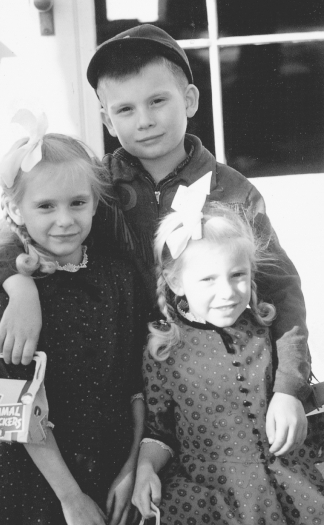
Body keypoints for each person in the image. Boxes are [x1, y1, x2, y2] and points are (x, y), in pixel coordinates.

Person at [0, 25, 312, 454]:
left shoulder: (230, 190)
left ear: (188, 99)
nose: (144, 120)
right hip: (124, 375)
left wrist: (288, 388)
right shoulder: (98, 183)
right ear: (108, 121)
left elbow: (281, 287)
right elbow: (9, 230)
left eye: (157, 101)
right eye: (125, 109)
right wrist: (18, 289)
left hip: (220, 374)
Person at [0, 111, 148, 525]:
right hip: (43, 477)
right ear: (14, 210)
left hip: (115, 462)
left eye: (77, 203)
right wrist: (70, 498)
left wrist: (133, 465)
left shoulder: (118, 276)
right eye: (45, 206)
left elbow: (136, 381)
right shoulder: (15, 293)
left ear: (95, 203)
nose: (65, 220)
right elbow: (14, 402)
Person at [131, 196, 324, 524]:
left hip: (286, 484)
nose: (228, 292)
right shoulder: (164, 350)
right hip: (210, 496)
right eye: (208, 279)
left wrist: (293, 397)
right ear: (177, 281)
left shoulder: (266, 331)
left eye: (238, 275)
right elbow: (160, 431)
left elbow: (299, 401)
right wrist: (146, 468)